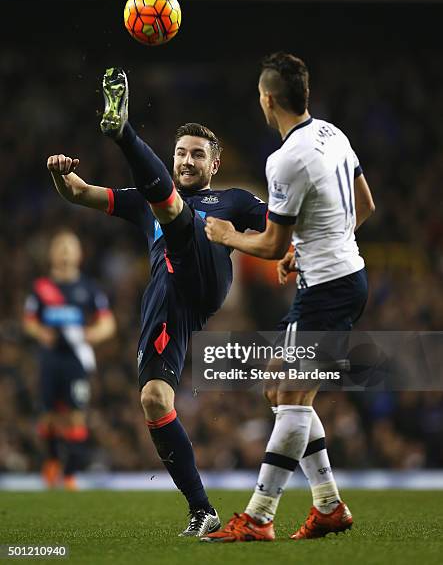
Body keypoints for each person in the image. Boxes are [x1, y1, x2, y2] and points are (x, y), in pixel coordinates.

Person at [46, 67, 267, 535]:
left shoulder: (234, 200)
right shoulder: (145, 198)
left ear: (214, 165)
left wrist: (290, 253)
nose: (187, 161)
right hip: (168, 298)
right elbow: (80, 194)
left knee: (175, 216)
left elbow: (277, 227)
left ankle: (121, 131)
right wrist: (61, 175)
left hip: (207, 274)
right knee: (153, 398)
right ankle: (202, 510)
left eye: (197, 155)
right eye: (181, 153)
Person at [203, 52, 375, 542]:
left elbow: (270, 243)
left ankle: (259, 517)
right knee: (280, 392)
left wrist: (228, 236)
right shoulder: (333, 133)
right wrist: (311, 247)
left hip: (325, 289)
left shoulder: (285, 158)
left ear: (268, 99)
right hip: (343, 277)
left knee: (291, 398)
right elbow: (364, 205)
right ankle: (328, 505)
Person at [23, 230, 116, 490]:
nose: (64, 251)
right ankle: (52, 461)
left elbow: (107, 323)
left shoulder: (88, 288)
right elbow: (29, 321)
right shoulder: (41, 287)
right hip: (50, 359)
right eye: (60, 246)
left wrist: (92, 334)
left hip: (76, 359)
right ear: (51, 254)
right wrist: (40, 332)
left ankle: (71, 474)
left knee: (76, 415)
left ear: (79, 254)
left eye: (69, 247)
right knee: (49, 416)